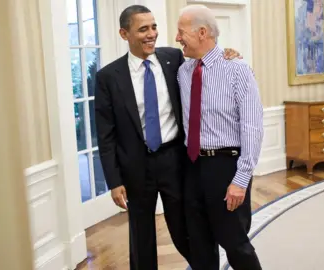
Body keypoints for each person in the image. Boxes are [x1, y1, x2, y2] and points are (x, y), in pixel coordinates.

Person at [94, 5, 241, 270]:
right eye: (143, 29)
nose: (152, 34)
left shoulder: (174, 58)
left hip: (174, 160)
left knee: (185, 229)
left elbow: (205, 54)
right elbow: (105, 135)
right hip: (136, 166)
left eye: (153, 27)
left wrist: (229, 53)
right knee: (142, 237)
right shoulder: (108, 77)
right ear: (124, 33)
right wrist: (114, 181)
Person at [176, 4, 264, 270]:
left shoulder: (237, 69)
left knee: (234, 241)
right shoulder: (183, 71)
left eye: (181, 32)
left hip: (226, 167)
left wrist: (241, 179)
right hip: (192, 167)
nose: (177, 38)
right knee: (199, 243)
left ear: (202, 32)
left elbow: (252, 127)